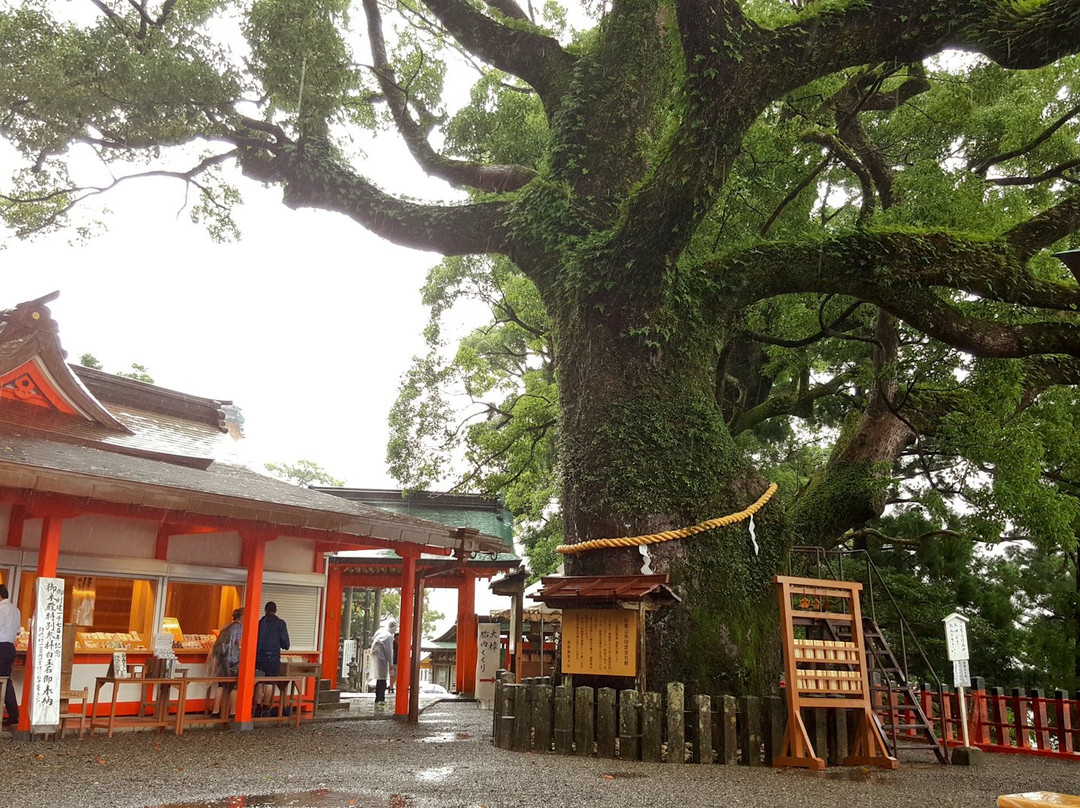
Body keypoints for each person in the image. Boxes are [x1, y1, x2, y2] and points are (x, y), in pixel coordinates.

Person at [254, 601, 289, 717]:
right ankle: (265, 707)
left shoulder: (260, 623)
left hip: (259, 657)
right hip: (273, 657)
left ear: (265, 610)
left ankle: (257, 707)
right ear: (275, 611)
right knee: (269, 682)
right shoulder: (280, 624)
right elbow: (285, 643)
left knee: (259, 681)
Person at [207, 608, 243, 718]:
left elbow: (218, 646)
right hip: (234, 660)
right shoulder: (240, 628)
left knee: (221, 685)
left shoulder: (226, 628)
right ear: (242, 617)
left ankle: (216, 710)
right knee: (234, 686)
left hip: (222, 660)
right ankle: (233, 712)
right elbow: (240, 644)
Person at [0, 584, 20, 727]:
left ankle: (12, 714)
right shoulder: (16, 610)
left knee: (3, 680)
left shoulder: (1, 609)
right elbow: (18, 631)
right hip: (9, 647)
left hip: (0, 646)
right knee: (5, 680)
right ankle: (13, 714)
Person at [370, 617, 397, 707]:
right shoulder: (388, 636)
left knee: (379, 678)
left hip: (374, 654)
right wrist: (391, 664)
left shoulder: (380, 631)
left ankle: (378, 698)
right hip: (381, 657)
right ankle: (381, 699)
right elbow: (389, 651)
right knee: (382, 679)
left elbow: (373, 638)